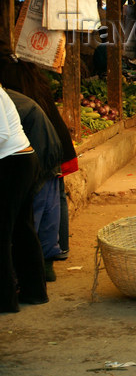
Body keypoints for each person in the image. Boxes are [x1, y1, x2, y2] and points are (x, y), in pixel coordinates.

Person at [0, 55, 78, 261]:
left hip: (41, 148)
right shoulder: (35, 85)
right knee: (56, 197)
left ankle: (46, 254)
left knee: (40, 204)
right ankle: (58, 249)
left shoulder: (12, 94)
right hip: (57, 143)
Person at [0, 83, 47, 313]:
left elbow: (1, 133)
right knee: (21, 228)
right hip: (21, 159)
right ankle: (34, 291)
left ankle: (5, 299)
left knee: (5, 231)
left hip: (13, 162)